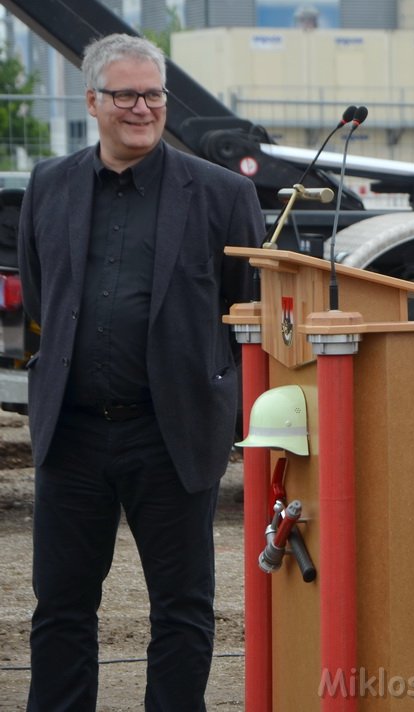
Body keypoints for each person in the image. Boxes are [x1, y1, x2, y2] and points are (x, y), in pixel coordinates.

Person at [18, 33, 263, 710]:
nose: (141, 107)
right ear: (93, 100)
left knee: (183, 610)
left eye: (152, 93)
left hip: (172, 433)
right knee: (61, 608)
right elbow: (46, 299)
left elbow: (245, 307)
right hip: (70, 434)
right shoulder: (50, 185)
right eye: (125, 94)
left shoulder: (221, 195)